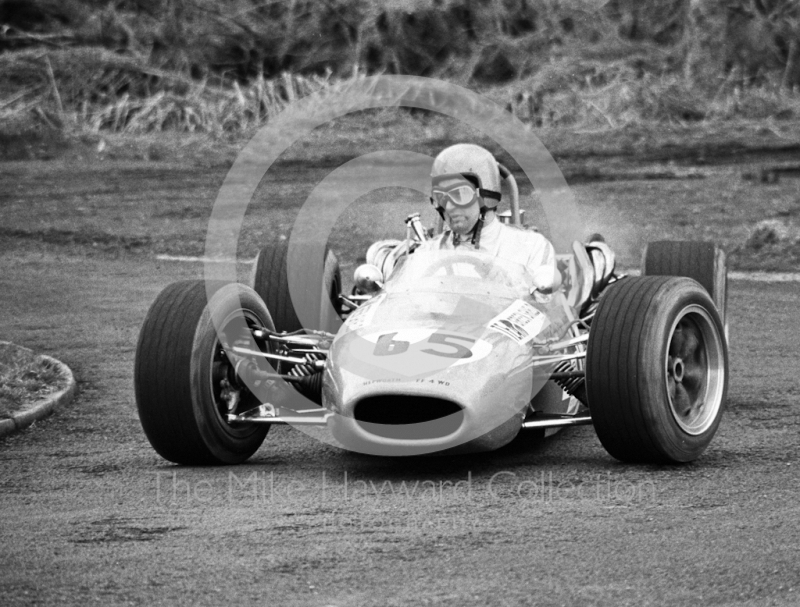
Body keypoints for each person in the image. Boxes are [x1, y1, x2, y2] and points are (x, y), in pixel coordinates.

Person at [419, 143, 560, 291]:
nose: (448, 207)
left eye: (460, 194)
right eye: (440, 197)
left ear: (486, 196)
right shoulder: (427, 253)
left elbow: (545, 305)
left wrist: (514, 287)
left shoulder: (531, 247)